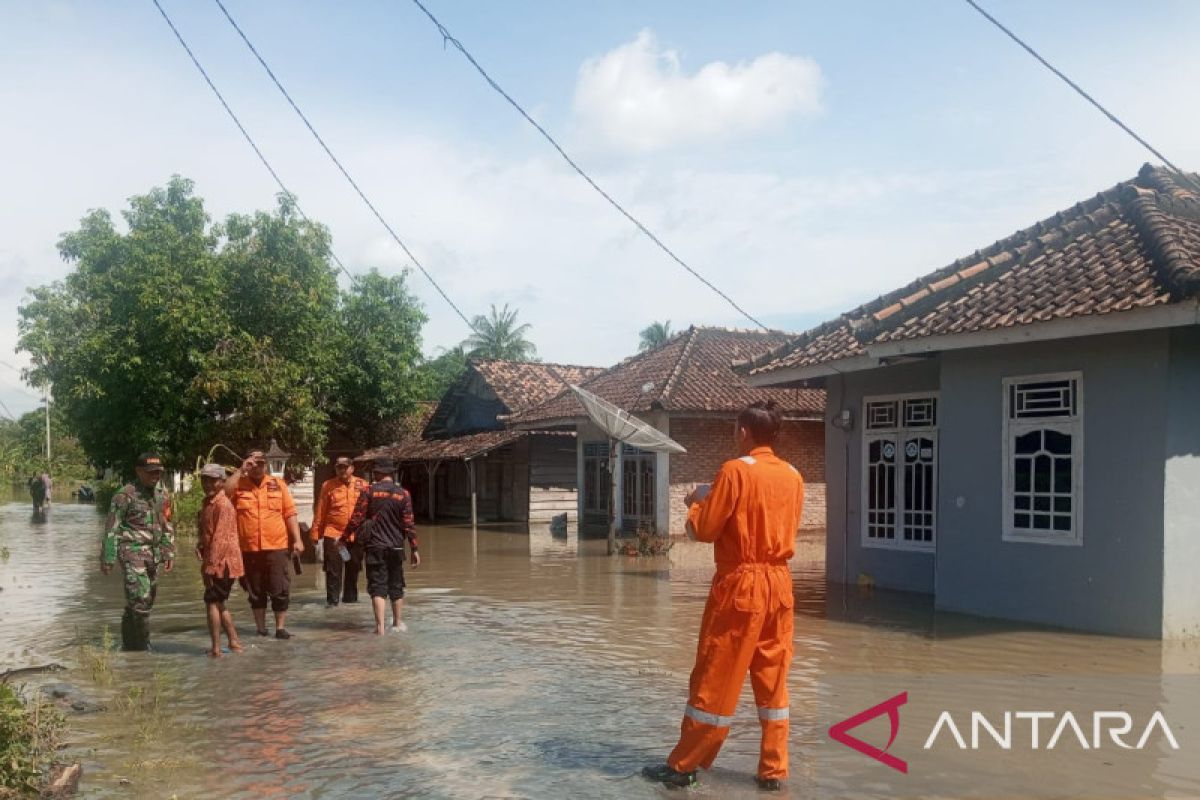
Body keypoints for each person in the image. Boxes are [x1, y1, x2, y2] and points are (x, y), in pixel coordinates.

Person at [642, 400, 805, 792]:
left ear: (744, 432)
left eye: (736, 430)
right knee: (773, 680)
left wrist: (697, 502)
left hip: (741, 585)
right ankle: (773, 769)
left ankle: (684, 766)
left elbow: (706, 531)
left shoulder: (733, 471)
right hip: (780, 584)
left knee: (715, 675)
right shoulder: (793, 475)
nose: (735, 436)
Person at [100, 453, 176, 651]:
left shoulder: (162, 495)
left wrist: (168, 552)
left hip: (154, 555)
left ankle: (129, 646)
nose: (155, 476)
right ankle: (143, 647)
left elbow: (167, 524)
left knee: (143, 599)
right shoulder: (124, 495)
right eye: (150, 472)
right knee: (141, 600)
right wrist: (108, 557)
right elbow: (111, 528)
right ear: (138, 471)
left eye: (158, 472)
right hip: (131, 552)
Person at [226, 449, 304, 640]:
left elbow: (289, 513)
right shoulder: (238, 485)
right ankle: (261, 629)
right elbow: (223, 495)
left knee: (280, 588)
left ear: (266, 464)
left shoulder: (278, 484)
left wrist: (298, 539)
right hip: (248, 548)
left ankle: (280, 628)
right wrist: (240, 470)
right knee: (255, 590)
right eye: (253, 463)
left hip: (276, 546)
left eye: (260, 463)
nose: (257, 466)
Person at [341, 458, 420, 635]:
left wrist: (344, 538)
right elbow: (409, 524)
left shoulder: (368, 491)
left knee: (377, 587)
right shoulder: (403, 494)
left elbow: (356, 518)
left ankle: (380, 628)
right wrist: (414, 549)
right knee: (396, 586)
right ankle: (398, 624)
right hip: (396, 548)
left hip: (375, 546)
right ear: (391, 473)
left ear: (377, 473)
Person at [196, 463, 244, 658]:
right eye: (204, 479)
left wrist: (210, 567)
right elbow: (207, 533)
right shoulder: (207, 503)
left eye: (212, 480)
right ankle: (234, 642)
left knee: (212, 602)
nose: (207, 483)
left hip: (223, 563)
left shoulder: (224, 505)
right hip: (216, 560)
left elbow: (221, 540)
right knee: (218, 601)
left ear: (222, 482)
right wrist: (200, 545)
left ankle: (216, 649)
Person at [312, 456, 369, 607]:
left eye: (345, 467)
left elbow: (370, 512)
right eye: (339, 467)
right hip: (334, 535)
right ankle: (332, 603)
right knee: (333, 571)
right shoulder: (328, 486)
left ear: (352, 468)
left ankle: (350, 602)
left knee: (353, 570)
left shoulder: (363, 485)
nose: (342, 470)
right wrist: (315, 533)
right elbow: (321, 511)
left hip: (356, 535)